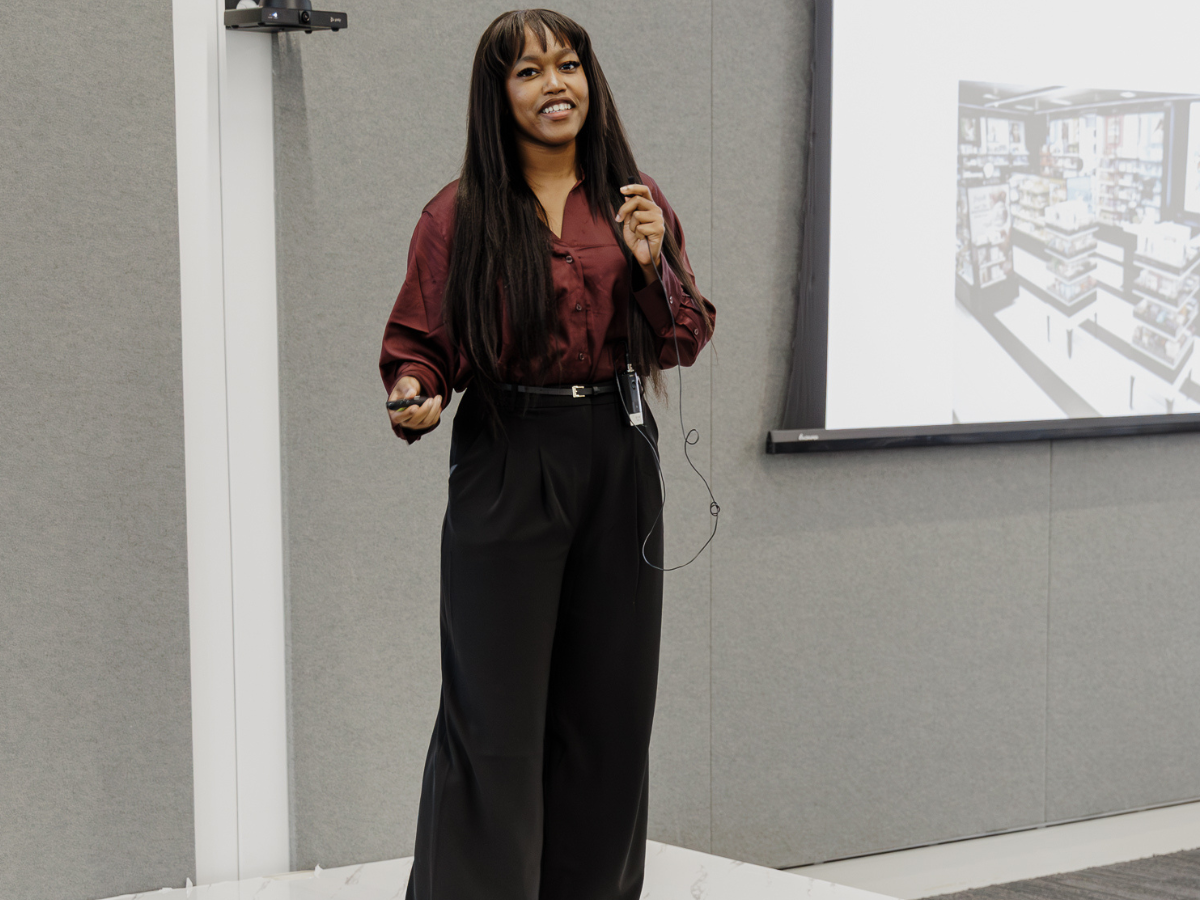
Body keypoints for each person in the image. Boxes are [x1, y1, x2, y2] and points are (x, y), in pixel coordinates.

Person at [379, 9, 715, 899]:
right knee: (493, 720)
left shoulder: (636, 201)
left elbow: (683, 337)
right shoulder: (455, 215)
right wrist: (414, 393)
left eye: (567, 65)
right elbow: (421, 343)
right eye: (528, 72)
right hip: (508, 453)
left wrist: (652, 268)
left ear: (590, 81)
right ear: (499, 95)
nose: (554, 84)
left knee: (607, 716)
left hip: (619, 457)